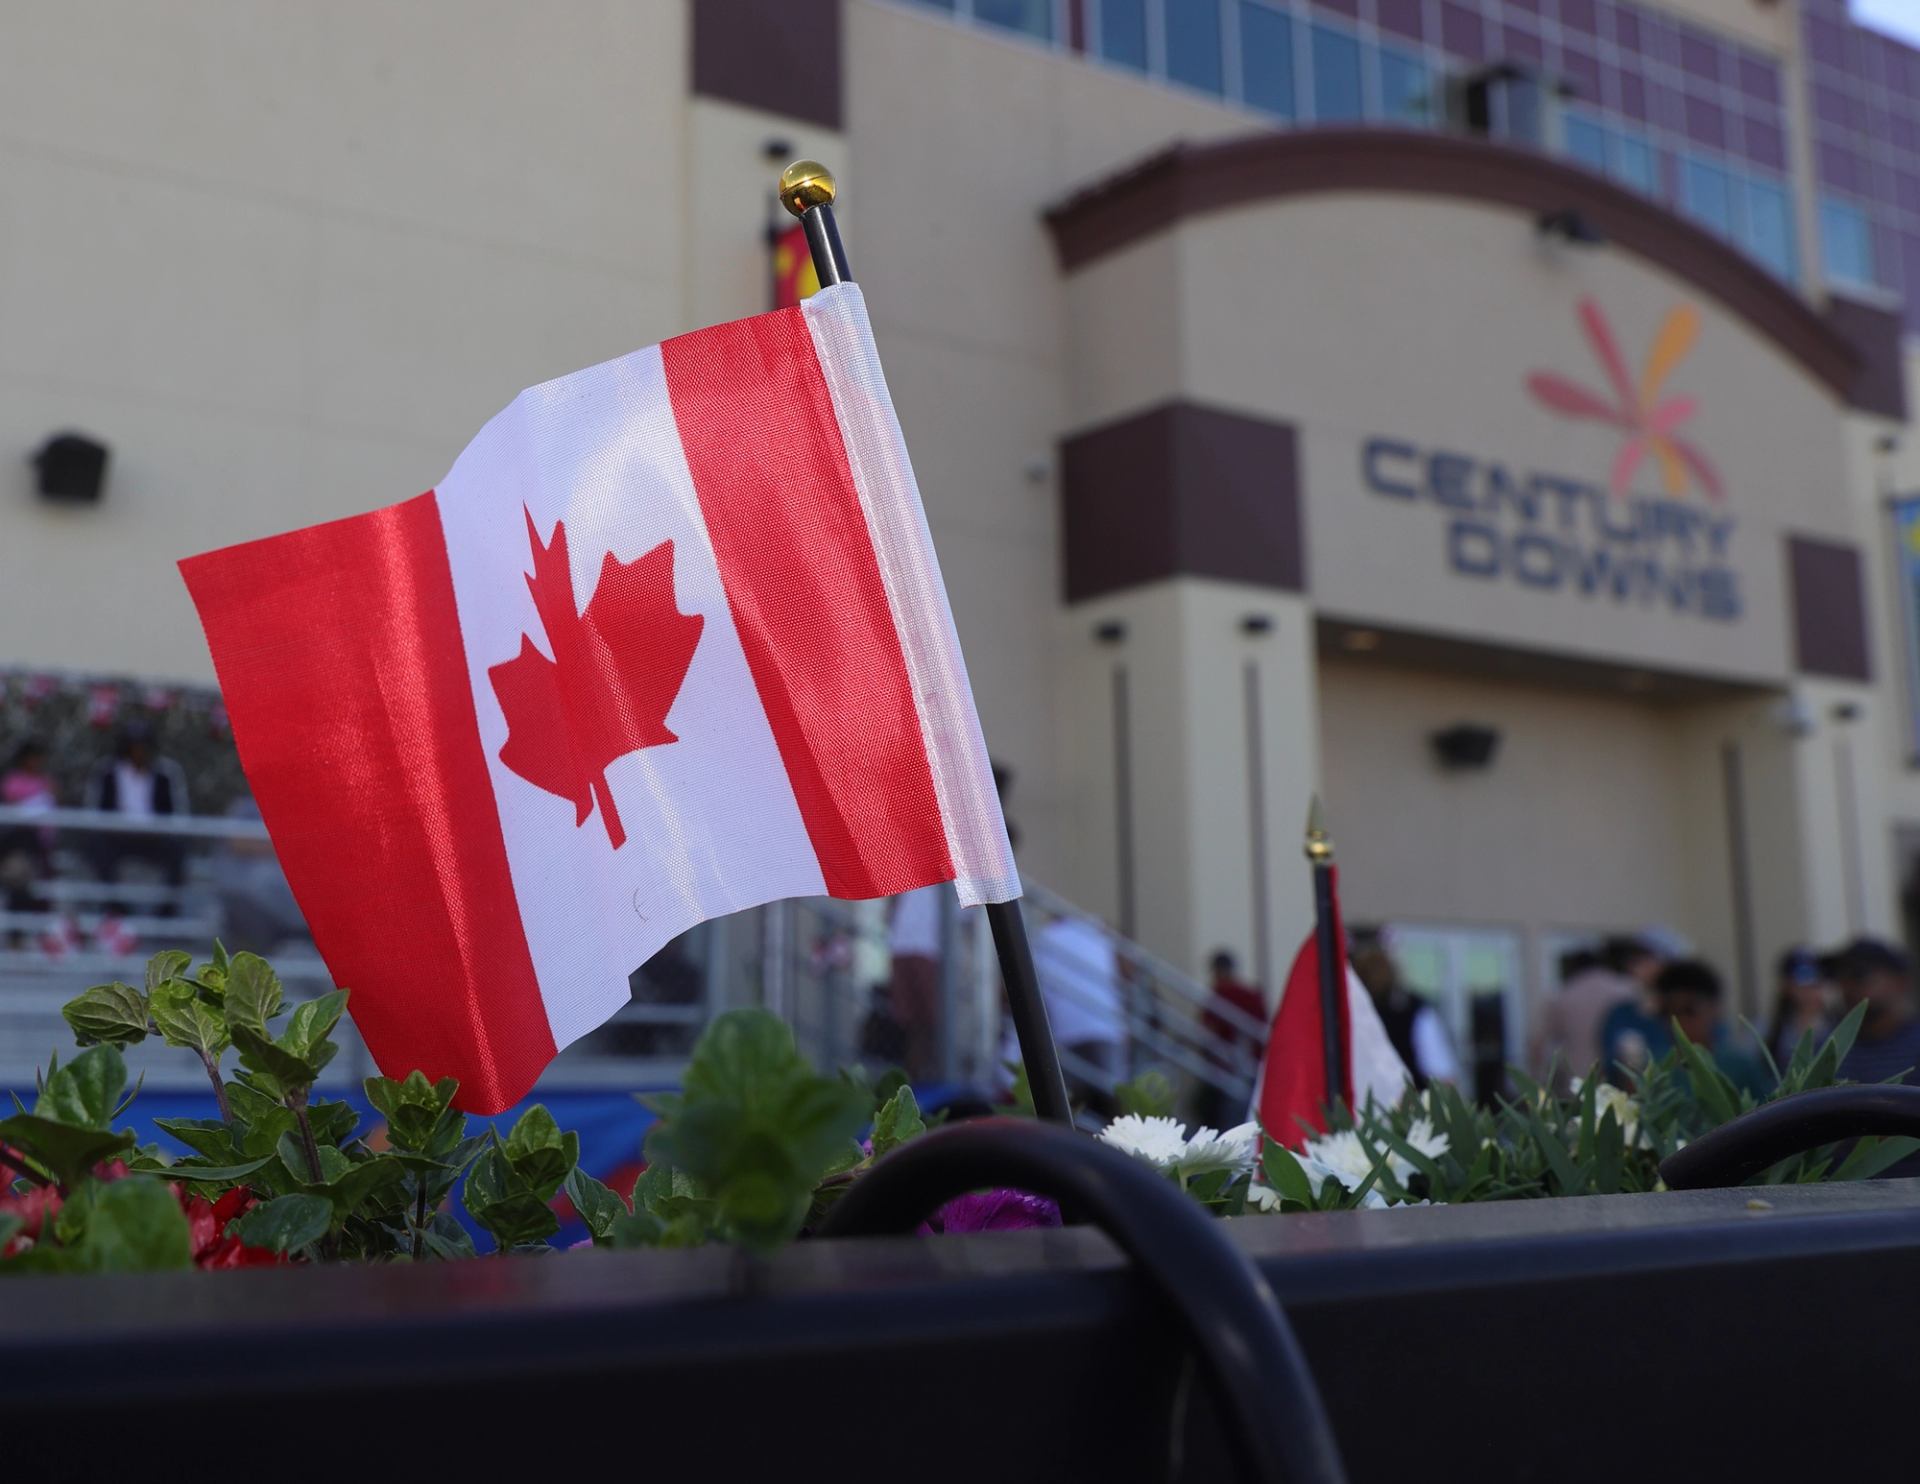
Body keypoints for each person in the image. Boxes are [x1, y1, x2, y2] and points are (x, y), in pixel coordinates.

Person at [1029, 911, 1127, 1116]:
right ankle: (1117, 1141)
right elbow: (1125, 972)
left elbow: (1034, 985)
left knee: (1071, 1098)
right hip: (1105, 1025)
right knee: (1113, 1097)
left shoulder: (1045, 937)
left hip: (1068, 1029)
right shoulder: (1096, 933)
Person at [84, 724, 190, 899]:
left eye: (143, 746)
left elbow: (180, 813)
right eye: (134, 746)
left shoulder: (166, 773)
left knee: (177, 849)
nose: (139, 751)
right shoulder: (107, 771)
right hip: (116, 835)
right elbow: (92, 810)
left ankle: (167, 908)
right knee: (96, 847)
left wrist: (161, 829)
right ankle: (114, 907)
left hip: (154, 836)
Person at [1351, 937, 1458, 1089]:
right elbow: (1442, 1073)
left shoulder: (1414, 1010)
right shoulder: (1354, 1013)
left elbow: (1442, 1075)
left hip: (1407, 1104)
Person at [1530, 943, 1637, 1092]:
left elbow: (1538, 1045)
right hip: (1622, 1073)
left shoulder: (1562, 995)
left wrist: (1538, 1082)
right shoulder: (1626, 989)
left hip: (1578, 1077)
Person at [1830, 938, 1920, 1086]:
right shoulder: (1831, 1048)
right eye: (1839, 977)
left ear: (1900, 982)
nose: (1847, 985)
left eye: (1859, 975)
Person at [1196, 949, 1266, 1130]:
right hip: (1256, 1066)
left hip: (1228, 1068)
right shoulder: (1251, 993)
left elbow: (1208, 1032)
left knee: (1226, 1118)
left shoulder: (1219, 993)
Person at [886, 883, 946, 1081]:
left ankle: (927, 1071)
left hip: (927, 949)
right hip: (902, 946)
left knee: (929, 1018)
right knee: (909, 1019)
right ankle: (913, 1073)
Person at [0, 741, 57, 920]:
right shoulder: (12, 780)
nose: (36, 761)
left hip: (42, 846)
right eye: (33, 757)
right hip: (17, 844)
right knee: (19, 877)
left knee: (40, 883)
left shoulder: (46, 782)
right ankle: (18, 934)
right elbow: (12, 810)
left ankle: (39, 930)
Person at [1765, 946, 1835, 1068]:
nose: (1811, 991)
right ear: (1785, 986)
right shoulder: (1765, 1031)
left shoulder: (1838, 1025)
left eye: (1817, 982)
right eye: (1803, 983)